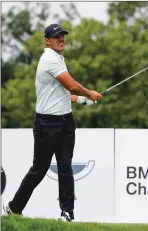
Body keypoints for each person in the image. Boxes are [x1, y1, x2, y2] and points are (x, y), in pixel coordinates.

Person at [3, 24, 102, 221]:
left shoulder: (58, 59)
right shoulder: (49, 58)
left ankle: (67, 213)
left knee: (65, 167)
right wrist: (89, 93)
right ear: (47, 41)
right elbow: (71, 85)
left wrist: (81, 100)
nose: (61, 39)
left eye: (63, 36)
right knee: (39, 169)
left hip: (65, 123)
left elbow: (62, 94)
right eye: (56, 37)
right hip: (46, 125)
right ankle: (14, 207)